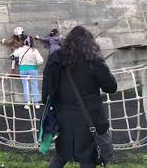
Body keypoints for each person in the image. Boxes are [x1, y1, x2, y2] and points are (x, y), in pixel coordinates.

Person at [42, 26, 117, 168]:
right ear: (89, 42)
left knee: (61, 156)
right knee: (88, 160)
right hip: (89, 116)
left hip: (63, 117)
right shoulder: (93, 58)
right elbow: (111, 87)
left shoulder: (55, 58)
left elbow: (47, 91)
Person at [12, 36, 43, 109]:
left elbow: (14, 54)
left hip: (23, 69)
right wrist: (36, 64)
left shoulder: (20, 49)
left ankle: (27, 103)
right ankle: (36, 103)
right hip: (33, 69)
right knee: (34, 85)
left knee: (25, 86)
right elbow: (40, 61)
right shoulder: (34, 50)